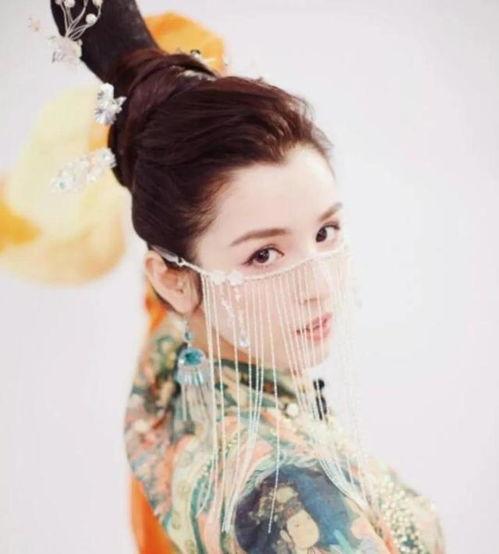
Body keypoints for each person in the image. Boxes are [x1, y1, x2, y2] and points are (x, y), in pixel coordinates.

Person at [48, 1, 447, 552]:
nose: (319, 287)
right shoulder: (297, 507)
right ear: (172, 280)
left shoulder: (174, 360)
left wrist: (134, 62)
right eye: (263, 255)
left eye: (325, 232)